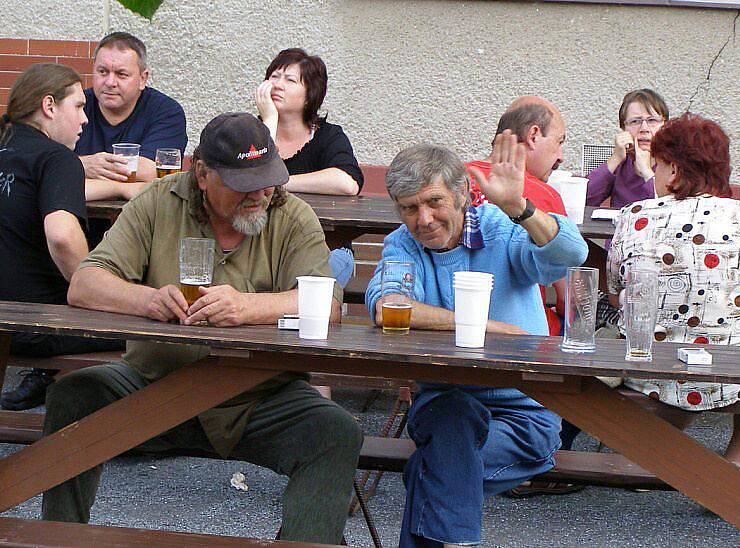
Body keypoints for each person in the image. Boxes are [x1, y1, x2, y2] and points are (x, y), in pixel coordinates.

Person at [44, 112, 362, 544]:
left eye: (266, 179)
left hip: (258, 396)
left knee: (336, 432)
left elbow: (328, 305)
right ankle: (57, 540)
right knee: (73, 395)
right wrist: (149, 300)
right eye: (242, 183)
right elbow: (85, 282)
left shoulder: (292, 215)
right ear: (202, 173)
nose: (259, 194)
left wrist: (247, 307)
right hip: (154, 383)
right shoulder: (158, 201)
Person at [365, 133, 588, 547]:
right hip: (444, 405)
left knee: (429, 469)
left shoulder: (500, 230)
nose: (424, 219)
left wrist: (518, 207)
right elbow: (388, 306)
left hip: (524, 411)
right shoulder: (403, 244)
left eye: (434, 202)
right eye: (410, 208)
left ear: (463, 193)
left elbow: (569, 255)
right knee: (451, 419)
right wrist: (487, 326)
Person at [607, 113, 740, 463]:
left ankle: (656, 456)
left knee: (677, 376)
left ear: (674, 171)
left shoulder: (633, 216)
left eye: (658, 166)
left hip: (645, 367)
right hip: (731, 372)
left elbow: (615, 292)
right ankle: (737, 466)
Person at [0, 64, 123, 411]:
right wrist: (90, 288)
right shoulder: (56, 158)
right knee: (149, 326)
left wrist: (117, 187)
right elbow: (62, 237)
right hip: (33, 326)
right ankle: (134, 428)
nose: (85, 120)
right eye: (79, 106)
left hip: (10, 318)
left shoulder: (9, 147)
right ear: (49, 106)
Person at [254, 48, 363, 287]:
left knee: (326, 272)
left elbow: (347, 182)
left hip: (322, 244)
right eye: (274, 77)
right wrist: (269, 122)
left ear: (310, 95)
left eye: (290, 80)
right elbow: (255, 175)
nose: (278, 85)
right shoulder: (248, 131)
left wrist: (279, 183)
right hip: (259, 247)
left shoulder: (328, 136)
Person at [467, 96, 567, 336]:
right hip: (522, 337)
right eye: (559, 141)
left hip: (454, 324)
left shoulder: (454, 178)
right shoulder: (543, 196)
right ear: (533, 135)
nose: (561, 155)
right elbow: (570, 294)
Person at [76, 32, 188, 201]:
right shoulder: (74, 106)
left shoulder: (166, 112)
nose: (110, 82)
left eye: (121, 74)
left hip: (142, 220)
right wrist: (83, 165)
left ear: (143, 79)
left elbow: (151, 172)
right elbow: (44, 163)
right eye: (102, 72)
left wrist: (76, 166)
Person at [586, 88, 668, 208]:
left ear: (664, 125)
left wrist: (647, 172)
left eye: (652, 120)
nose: (644, 128)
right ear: (624, 128)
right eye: (635, 121)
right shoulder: (622, 162)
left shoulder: (674, 164)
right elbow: (584, 199)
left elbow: (669, 207)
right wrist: (615, 158)